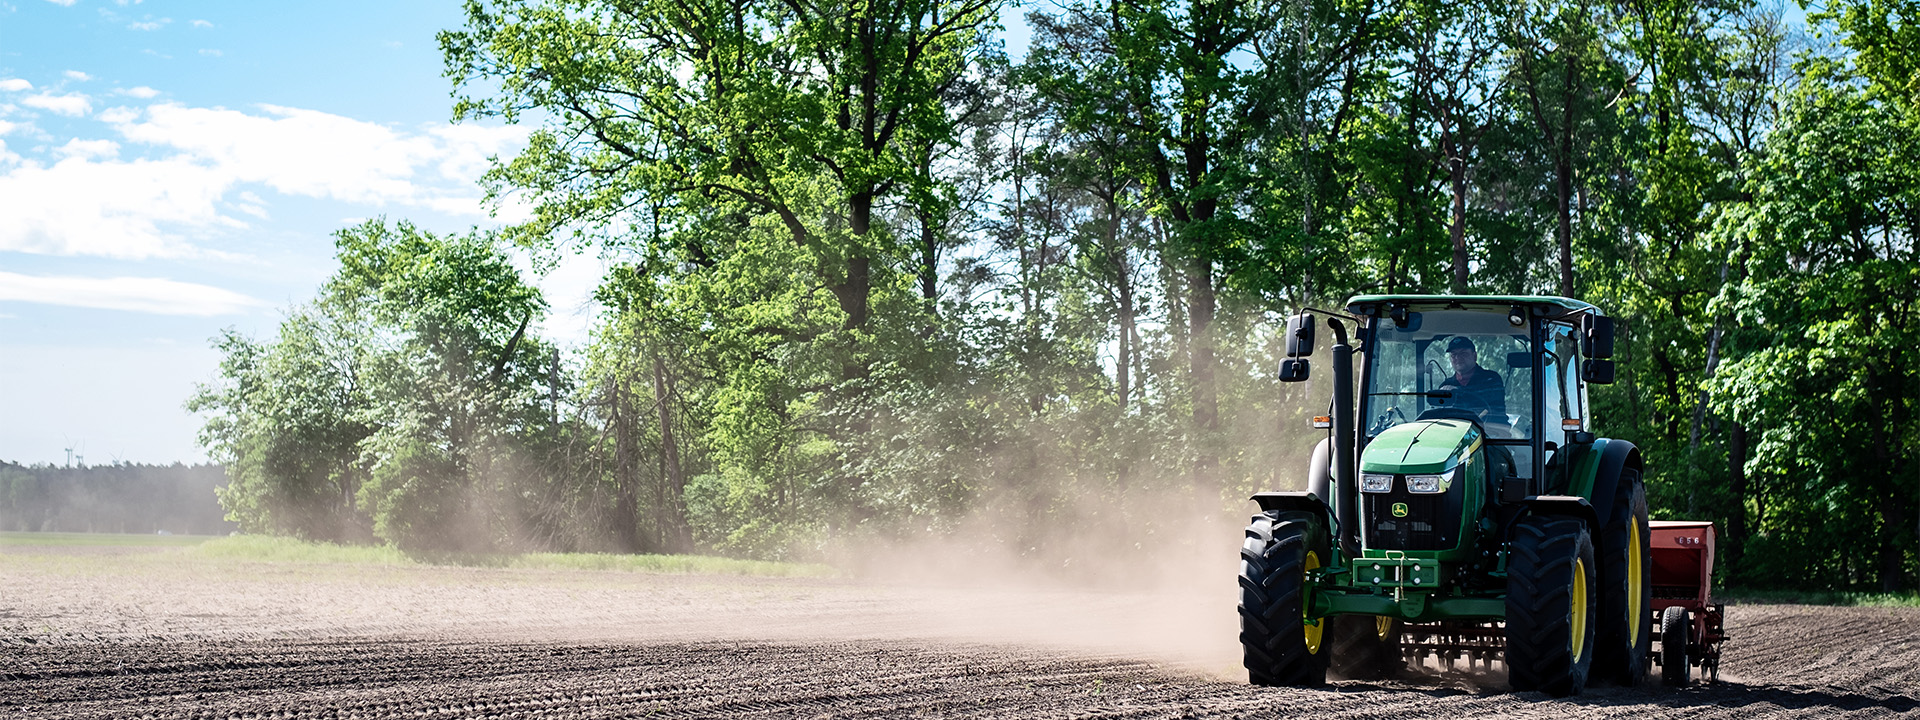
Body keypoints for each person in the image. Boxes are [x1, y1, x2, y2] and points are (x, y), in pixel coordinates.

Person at [1438, 336, 1506, 423]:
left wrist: (1458, 391)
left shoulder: (1491, 379)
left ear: (1475, 356)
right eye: (1454, 355)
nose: (1458, 358)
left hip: (1493, 430)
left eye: (1463, 354)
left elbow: (1489, 402)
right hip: (1456, 432)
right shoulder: (1445, 385)